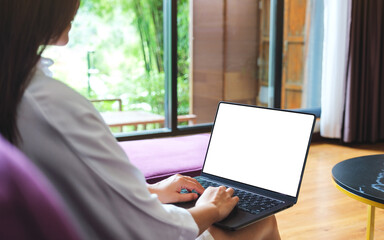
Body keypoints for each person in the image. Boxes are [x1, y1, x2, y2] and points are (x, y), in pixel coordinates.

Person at [0, 1, 281, 239]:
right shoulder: (52, 106)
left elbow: (74, 182)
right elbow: (151, 230)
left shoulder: (17, 90)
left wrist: (152, 191)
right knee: (261, 221)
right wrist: (211, 209)